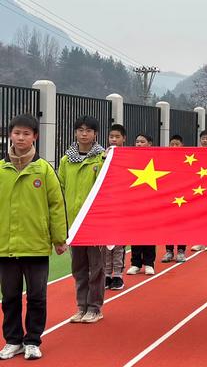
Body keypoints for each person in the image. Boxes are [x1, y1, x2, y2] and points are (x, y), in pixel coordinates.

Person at [0, 114, 67, 361]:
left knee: (37, 296)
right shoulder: (1, 170)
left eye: (27, 133)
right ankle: (13, 340)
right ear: (10, 135)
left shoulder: (44, 170)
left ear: (35, 137)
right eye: (17, 133)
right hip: (6, 247)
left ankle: (32, 341)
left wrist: (59, 239)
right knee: (9, 297)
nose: (21, 138)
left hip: (36, 245)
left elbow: (56, 205)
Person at [58, 116, 106, 324]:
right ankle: (81, 306)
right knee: (78, 267)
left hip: (95, 224)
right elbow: (60, 188)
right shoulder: (66, 160)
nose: (84, 134)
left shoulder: (102, 159)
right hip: (73, 224)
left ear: (95, 134)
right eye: (80, 130)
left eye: (88, 130)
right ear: (75, 132)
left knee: (96, 267)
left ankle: (95, 308)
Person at [127, 134, 158, 274]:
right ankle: (136, 263)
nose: (139, 144)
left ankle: (149, 263)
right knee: (135, 232)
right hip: (135, 202)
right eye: (137, 141)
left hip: (151, 202)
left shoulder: (156, 158)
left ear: (149, 144)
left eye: (142, 142)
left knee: (150, 232)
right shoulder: (130, 158)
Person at [104, 124, 127, 290]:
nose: (113, 139)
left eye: (117, 136)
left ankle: (118, 275)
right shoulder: (101, 156)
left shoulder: (128, 156)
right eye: (111, 136)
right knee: (105, 244)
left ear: (123, 139)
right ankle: (105, 274)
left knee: (118, 244)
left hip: (122, 206)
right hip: (106, 206)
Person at [161, 135, 187, 263]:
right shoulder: (165, 159)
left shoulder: (187, 160)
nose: (174, 146)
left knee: (181, 224)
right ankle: (169, 251)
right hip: (168, 198)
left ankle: (181, 251)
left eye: (177, 144)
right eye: (172, 144)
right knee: (169, 224)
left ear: (182, 145)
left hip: (182, 198)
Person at [191, 130, 207, 252]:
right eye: (202, 138)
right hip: (199, 188)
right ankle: (199, 241)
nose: (204, 140)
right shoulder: (195, 154)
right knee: (199, 215)